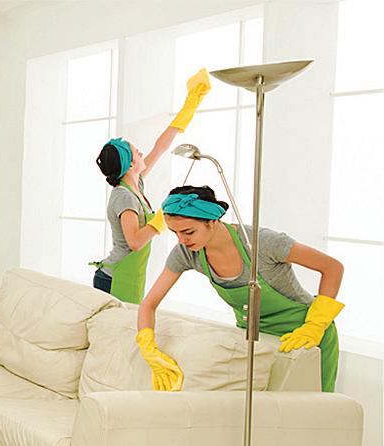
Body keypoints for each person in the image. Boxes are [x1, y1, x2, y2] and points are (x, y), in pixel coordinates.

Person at [135, 186, 346, 392]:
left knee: (312, 410)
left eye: (188, 232)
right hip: (256, 341)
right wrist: (147, 347)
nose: (182, 240)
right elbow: (149, 304)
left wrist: (315, 326)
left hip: (306, 337)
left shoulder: (263, 243)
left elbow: (332, 268)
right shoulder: (187, 253)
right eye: (175, 233)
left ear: (212, 220)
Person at [90, 68, 212, 303]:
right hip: (115, 277)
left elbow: (161, 146)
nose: (141, 152)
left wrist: (190, 105)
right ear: (130, 164)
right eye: (137, 151)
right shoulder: (124, 197)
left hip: (127, 275)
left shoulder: (136, 183)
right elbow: (135, 242)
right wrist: (161, 219)